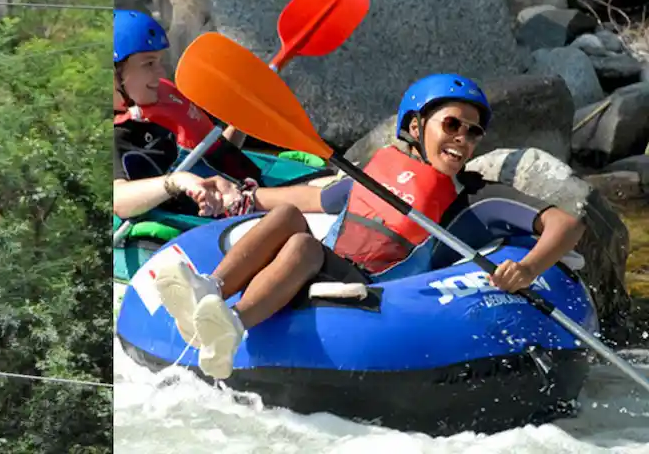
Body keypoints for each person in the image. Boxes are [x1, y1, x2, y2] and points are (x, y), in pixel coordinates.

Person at [150, 74, 586, 380]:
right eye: (452, 125)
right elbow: (314, 200)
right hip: (330, 264)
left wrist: (527, 269)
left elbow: (566, 225)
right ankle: (210, 289)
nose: (463, 139)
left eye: (472, 133)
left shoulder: (476, 196)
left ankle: (233, 326)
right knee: (285, 220)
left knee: (302, 245)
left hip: (376, 290)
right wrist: (246, 198)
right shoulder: (376, 171)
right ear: (415, 127)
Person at [112, 9, 331, 221]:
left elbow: (210, 155)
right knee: (334, 194)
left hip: (247, 185)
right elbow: (118, 199)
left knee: (334, 183)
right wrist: (176, 181)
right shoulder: (120, 134)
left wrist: (245, 116)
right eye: (148, 64)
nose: (160, 73)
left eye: (159, 61)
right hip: (226, 204)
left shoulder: (162, 102)